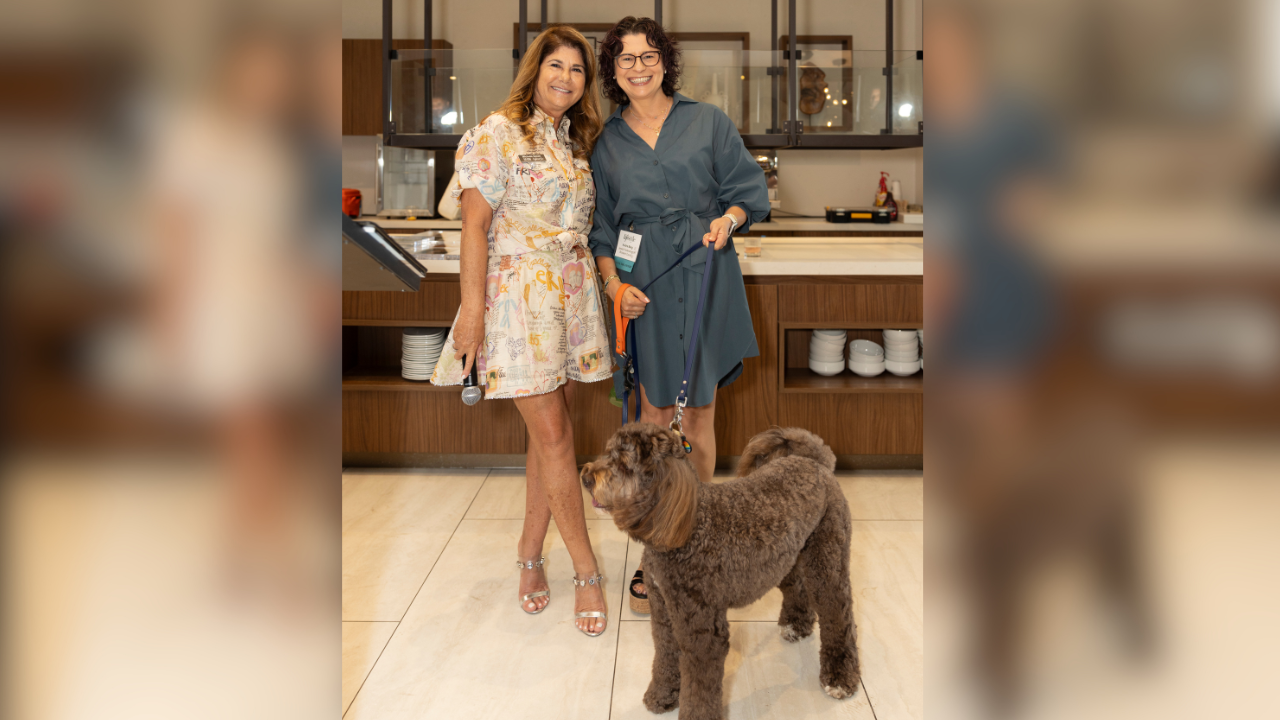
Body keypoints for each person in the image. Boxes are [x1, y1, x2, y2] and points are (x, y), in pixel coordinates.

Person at [430, 26, 613, 637]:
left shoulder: (573, 141)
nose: (566, 78)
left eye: (578, 70)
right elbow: (474, 227)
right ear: (535, 71)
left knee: (550, 437)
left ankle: (530, 555)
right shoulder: (496, 132)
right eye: (556, 66)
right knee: (556, 436)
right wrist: (472, 313)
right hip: (516, 301)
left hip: (568, 296)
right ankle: (585, 570)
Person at [587, 16, 769, 613]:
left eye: (648, 55)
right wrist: (615, 286)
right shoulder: (607, 144)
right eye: (625, 58)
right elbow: (602, 231)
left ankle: (694, 540)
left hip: (705, 268)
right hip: (646, 284)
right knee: (653, 416)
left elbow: (748, 193)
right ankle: (654, 553)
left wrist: (728, 220)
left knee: (699, 417)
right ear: (613, 72)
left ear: (665, 61)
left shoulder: (708, 121)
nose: (638, 67)